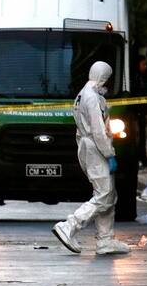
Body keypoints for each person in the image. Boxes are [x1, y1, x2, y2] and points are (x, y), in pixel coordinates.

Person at [52, 61, 130, 256]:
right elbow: (98, 131)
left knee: (107, 194)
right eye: (107, 79)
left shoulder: (83, 95)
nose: (108, 83)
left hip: (89, 147)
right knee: (104, 195)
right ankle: (69, 226)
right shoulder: (91, 97)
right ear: (103, 77)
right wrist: (109, 154)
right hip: (95, 148)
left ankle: (106, 241)